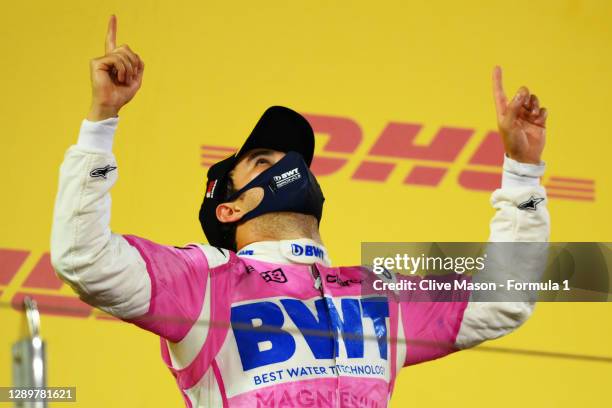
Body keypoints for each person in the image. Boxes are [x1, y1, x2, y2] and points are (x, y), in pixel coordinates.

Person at [50, 15, 550, 407]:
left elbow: (504, 298)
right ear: (228, 209)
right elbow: (84, 258)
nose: (289, 166)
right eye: (263, 161)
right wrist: (100, 122)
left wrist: (523, 171)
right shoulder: (204, 284)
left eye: (293, 160)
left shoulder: (377, 291)